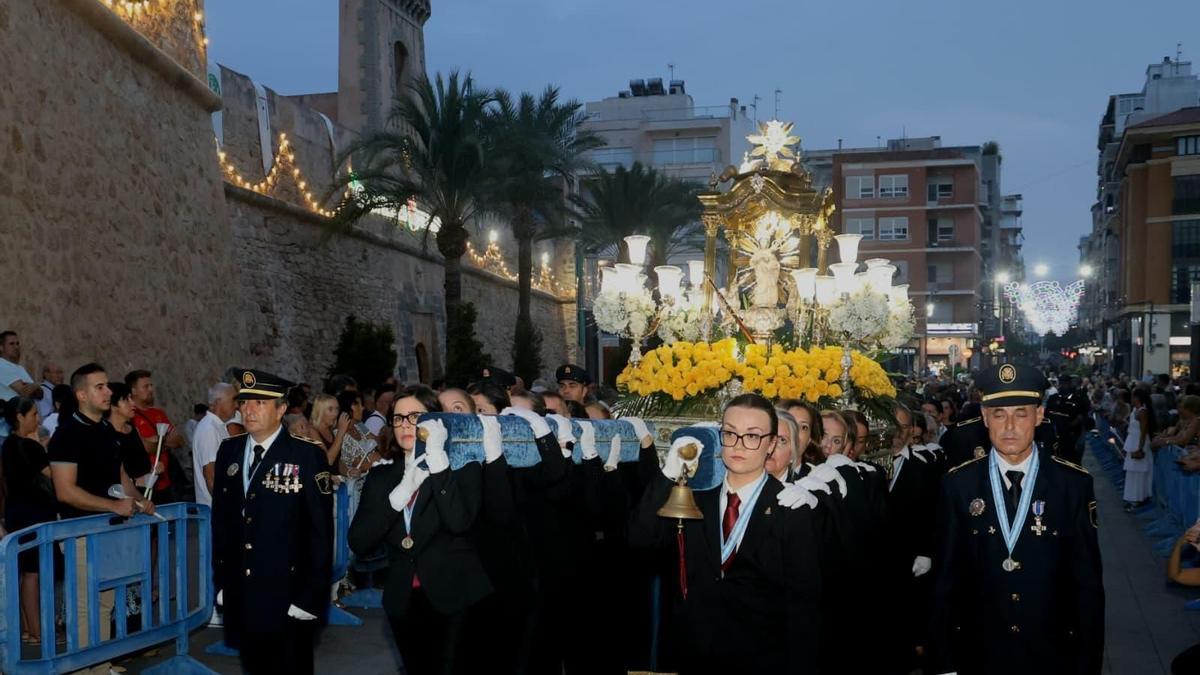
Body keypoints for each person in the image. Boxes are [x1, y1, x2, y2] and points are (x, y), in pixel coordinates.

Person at [929, 363, 1104, 675]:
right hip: (979, 653)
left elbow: (1087, 588)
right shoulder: (958, 485)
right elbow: (945, 581)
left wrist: (1086, 664)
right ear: (984, 417)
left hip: (1050, 655)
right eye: (998, 414)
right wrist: (945, 664)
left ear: (1038, 416)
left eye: (1021, 413)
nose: (1009, 426)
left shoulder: (1072, 485)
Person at [629, 393, 823, 673]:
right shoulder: (694, 502)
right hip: (693, 656)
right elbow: (639, 539)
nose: (739, 445)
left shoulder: (791, 508)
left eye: (752, 436)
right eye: (730, 433)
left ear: (770, 444)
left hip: (763, 661)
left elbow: (804, 607)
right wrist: (667, 475)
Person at [348, 385, 491, 675]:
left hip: (454, 593)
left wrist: (438, 465)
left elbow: (459, 522)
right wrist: (399, 495)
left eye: (415, 416)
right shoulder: (381, 476)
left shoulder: (463, 467)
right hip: (403, 598)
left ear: (434, 421)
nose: (405, 425)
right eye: (398, 418)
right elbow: (359, 541)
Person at [211, 369, 333, 674]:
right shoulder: (230, 451)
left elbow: (320, 533)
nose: (249, 409)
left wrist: (310, 597)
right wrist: (223, 581)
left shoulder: (306, 456)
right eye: (245, 401)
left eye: (260, 403)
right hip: (243, 590)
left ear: (281, 410)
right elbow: (222, 523)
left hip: (288, 593)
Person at [49, 363, 154, 671]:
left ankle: (101, 664)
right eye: (100, 387)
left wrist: (139, 500)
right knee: (84, 605)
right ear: (81, 394)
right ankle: (84, 670)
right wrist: (113, 506)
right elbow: (65, 492)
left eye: (107, 386)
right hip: (79, 532)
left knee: (106, 601)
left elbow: (120, 476)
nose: (109, 391)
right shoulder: (66, 434)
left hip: (110, 530)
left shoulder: (106, 431)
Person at [2, 396, 57, 646]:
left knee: (24, 573)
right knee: (33, 574)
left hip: (17, 513)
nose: (39, 418)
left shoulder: (8, 445)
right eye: (34, 414)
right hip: (34, 514)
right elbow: (54, 477)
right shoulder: (29, 446)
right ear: (20, 418)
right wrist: (47, 448)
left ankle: (27, 629)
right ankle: (38, 632)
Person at [125, 370, 182, 503]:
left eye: (151, 385)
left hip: (166, 483)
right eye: (145, 386)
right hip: (145, 485)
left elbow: (179, 440)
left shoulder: (158, 413)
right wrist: (164, 439)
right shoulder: (130, 417)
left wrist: (155, 440)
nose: (151, 389)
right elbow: (144, 447)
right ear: (133, 391)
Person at [192, 383, 238, 507]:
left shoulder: (218, 427)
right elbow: (211, 476)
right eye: (233, 400)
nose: (237, 405)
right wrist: (226, 507)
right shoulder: (209, 429)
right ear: (218, 403)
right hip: (214, 511)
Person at [1122, 387, 1156, 510]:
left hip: (1139, 443)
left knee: (1139, 472)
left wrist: (1140, 448)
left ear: (1137, 398)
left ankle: (1138, 498)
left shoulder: (1143, 411)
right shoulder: (1135, 410)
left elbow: (1143, 431)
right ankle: (1132, 497)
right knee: (1132, 471)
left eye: (1132, 396)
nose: (1131, 399)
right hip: (1132, 441)